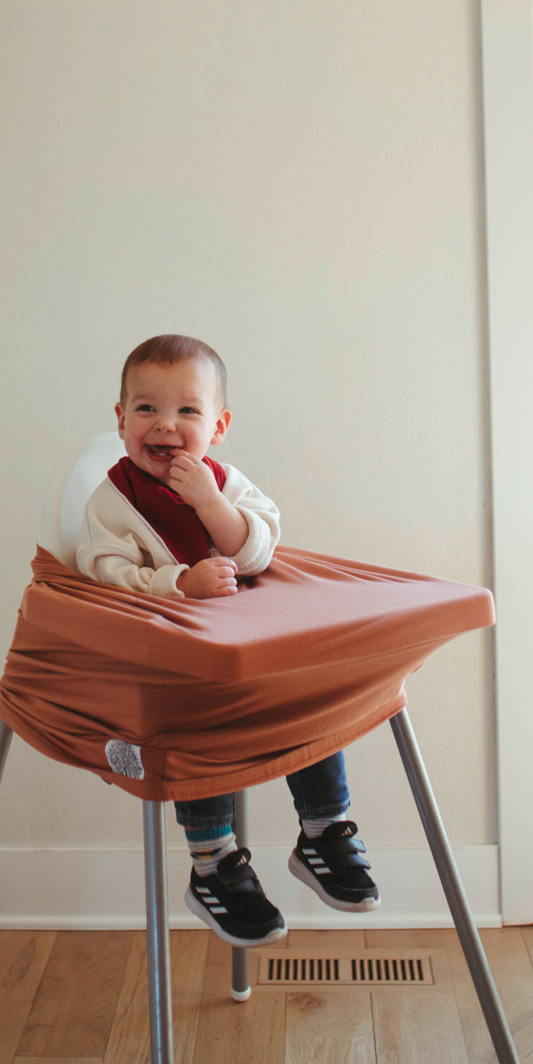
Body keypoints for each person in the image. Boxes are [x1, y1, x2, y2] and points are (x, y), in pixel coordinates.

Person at [76, 333, 380, 947]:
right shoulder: (111, 502)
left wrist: (212, 505)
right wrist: (178, 582)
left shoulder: (226, 483)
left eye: (188, 411)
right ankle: (213, 864)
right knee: (203, 716)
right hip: (173, 664)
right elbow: (105, 574)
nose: (165, 425)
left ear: (218, 426)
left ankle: (323, 830)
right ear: (120, 419)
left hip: (250, 653)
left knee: (309, 687)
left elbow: (260, 545)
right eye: (146, 409)